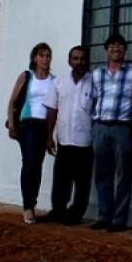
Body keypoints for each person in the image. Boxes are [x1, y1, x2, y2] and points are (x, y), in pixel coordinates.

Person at [90, 34, 132, 233]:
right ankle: (104, 216)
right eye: (112, 46)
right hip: (101, 127)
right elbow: (95, 100)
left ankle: (119, 220)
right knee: (102, 174)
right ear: (106, 50)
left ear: (125, 50)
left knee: (123, 175)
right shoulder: (97, 74)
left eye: (120, 46)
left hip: (124, 128)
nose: (116, 49)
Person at [38, 45, 94, 226]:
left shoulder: (94, 82)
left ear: (87, 61)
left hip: (86, 141)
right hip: (64, 139)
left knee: (82, 182)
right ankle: (58, 211)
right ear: (69, 61)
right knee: (61, 179)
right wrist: (49, 137)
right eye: (76, 59)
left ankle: (76, 214)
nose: (79, 62)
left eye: (83, 59)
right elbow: (52, 111)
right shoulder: (59, 83)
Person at [7, 42, 54, 225]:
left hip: (43, 125)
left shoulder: (53, 80)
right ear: (34, 58)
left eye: (47, 56)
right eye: (41, 55)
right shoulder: (27, 76)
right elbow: (12, 101)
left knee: (37, 166)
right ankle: (28, 206)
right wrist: (12, 124)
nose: (44, 59)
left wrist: (50, 134)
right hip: (27, 124)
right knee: (29, 164)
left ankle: (30, 203)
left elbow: (53, 109)